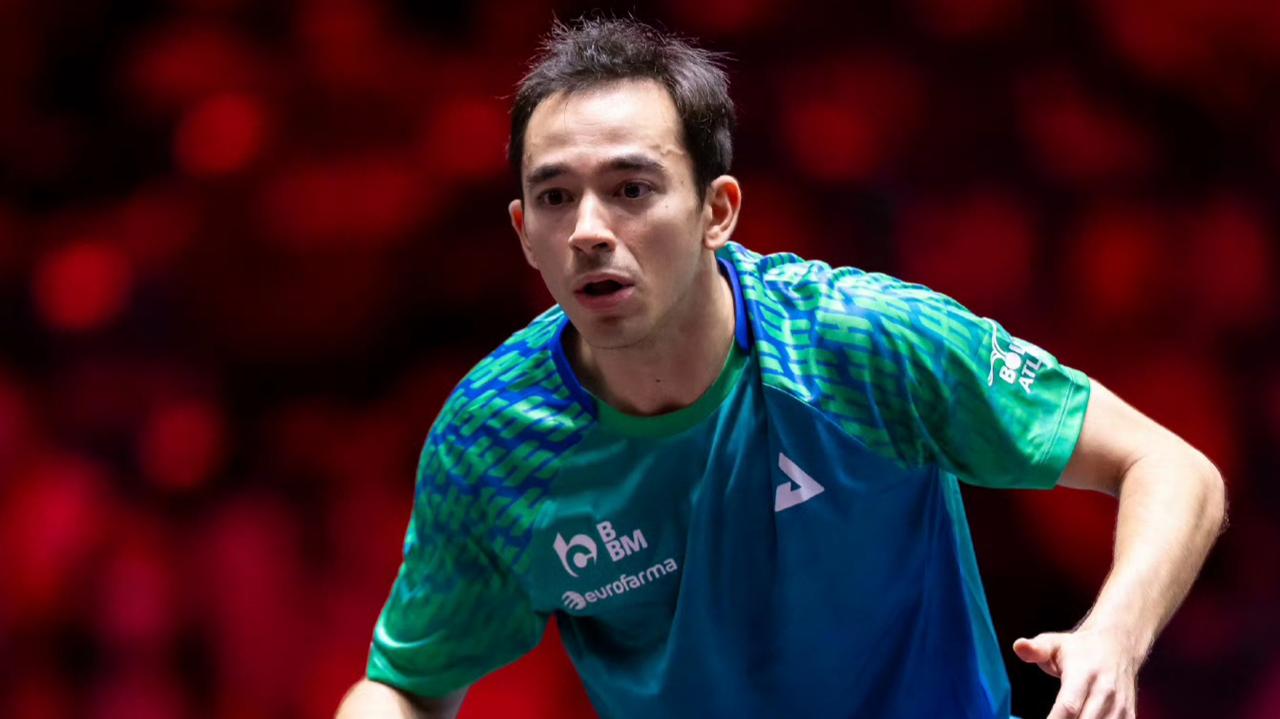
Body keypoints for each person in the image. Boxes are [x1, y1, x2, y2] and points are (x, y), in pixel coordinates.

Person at [336, 16, 1225, 719]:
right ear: (524, 231)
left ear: (717, 210)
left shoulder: (862, 343)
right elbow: (406, 686)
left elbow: (1172, 467)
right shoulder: (495, 442)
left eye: (632, 189)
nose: (590, 230)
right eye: (556, 196)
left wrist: (1113, 637)